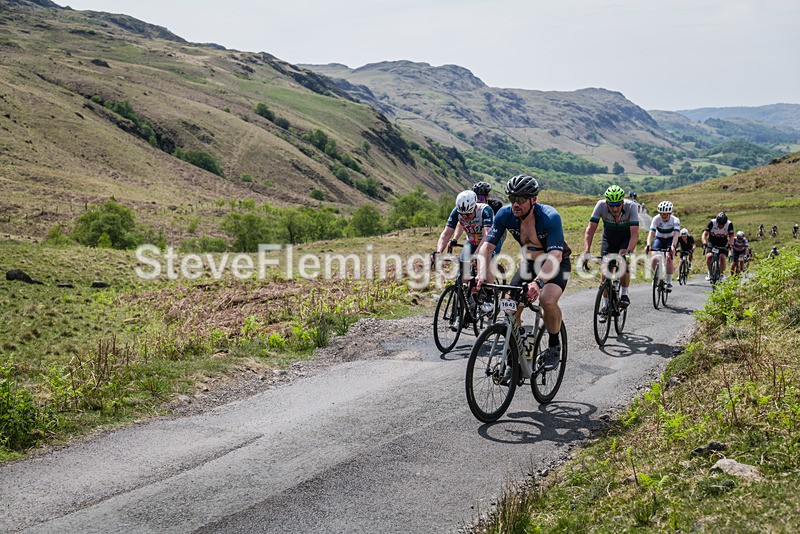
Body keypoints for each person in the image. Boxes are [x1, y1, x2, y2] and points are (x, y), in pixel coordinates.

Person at [476, 174, 571, 381]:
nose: (515, 205)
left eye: (520, 199)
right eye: (512, 199)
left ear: (533, 200)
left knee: (547, 300)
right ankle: (513, 360)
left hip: (556, 263)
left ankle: (554, 345)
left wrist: (538, 283)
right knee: (509, 307)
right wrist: (483, 275)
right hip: (529, 264)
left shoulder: (549, 217)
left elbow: (555, 255)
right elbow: (486, 247)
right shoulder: (504, 215)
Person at [582, 185, 639, 321]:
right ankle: (605, 305)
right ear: (606, 203)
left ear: (622, 202)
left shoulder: (632, 207)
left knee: (623, 261)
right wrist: (587, 251)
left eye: (618, 205)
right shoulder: (600, 206)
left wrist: (629, 252)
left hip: (625, 238)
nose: (614, 209)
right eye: (611, 205)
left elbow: (635, 233)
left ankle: (624, 294)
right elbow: (590, 229)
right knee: (605, 271)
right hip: (609, 238)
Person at [645, 201, 680, 292]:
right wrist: (648, 244)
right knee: (654, 259)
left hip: (670, 239)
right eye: (661, 214)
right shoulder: (656, 219)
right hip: (659, 238)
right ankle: (656, 276)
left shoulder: (675, 220)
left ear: (670, 213)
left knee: (669, 257)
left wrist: (673, 246)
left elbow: (676, 235)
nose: (663, 216)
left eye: (665, 214)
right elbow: (651, 234)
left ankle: (668, 282)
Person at [701, 212, 734, 281]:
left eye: (723, 224)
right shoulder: (712, 222)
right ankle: (709, 272)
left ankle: (721, 275)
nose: (721, 226)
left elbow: (731, 237)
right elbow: (704, 234)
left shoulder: (729, 224)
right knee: (709, 256)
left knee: (722, 257)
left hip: (723, 242)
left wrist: (729, 245)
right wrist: (704, 243)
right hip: (712, 241)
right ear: (717, 221)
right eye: (719, 224)